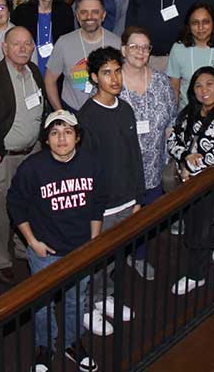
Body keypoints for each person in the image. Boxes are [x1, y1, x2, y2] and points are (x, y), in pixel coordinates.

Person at [8, 111, 104, 372]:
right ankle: (44, 347)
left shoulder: (92, 163)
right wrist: (31, 241)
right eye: (55, 132)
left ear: (78, 136)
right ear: (46, 139)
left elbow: (97, 203)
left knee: (76, 300)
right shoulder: (32, 168)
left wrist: (94, 242)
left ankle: (73, 342)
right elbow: (16, 205)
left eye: (68, 132)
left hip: (80, 249)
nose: (62, 138)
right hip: (45, 252)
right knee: (42, 305)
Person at [76, 47, 145, 336]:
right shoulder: (87, 116)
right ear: (94, 77)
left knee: (115, 258)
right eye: (107, 73)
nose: (115, 78)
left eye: (118, 71)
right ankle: (88, 307)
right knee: (95, 261)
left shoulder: (125, 107)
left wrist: (139, 198)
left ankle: (105, 298)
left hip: (127, 202)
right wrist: (93, 209)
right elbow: (84, 169)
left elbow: (134, 155)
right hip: (102, 208)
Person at [0, 26, 48, 285]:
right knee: (0, 209)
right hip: (4, 157)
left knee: (29, 202)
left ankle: (21, 246)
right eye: (16, 44)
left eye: (28, 44)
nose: (22, 48)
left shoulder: (35, 72)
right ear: (4, 48)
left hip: (34, 152)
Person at [167, 67, 214, 296]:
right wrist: (185, 157)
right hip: (188, 183)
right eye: (198, 86)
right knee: (195, 225)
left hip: (213, 184)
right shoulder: (190, 112)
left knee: (197, 234)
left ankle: (195, 275)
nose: (204, 90)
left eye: (210, 84)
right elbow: (173, 141)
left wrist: (188, 166)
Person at [118, 26, 177, 280]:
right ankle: (114, 260)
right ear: (123, 50)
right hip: (121, 171)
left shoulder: (162, 82)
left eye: (145, 47)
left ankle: (138, 256)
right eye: (134, 46)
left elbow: (172, 121)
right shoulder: (111, 81)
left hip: (154, 167)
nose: (140, 52)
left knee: (145, 221)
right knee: (120, 222)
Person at [44, 0, 121, 112]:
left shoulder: (117, 43)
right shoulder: (64, 42)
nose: (89, 16)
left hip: (107, 112)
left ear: (103, 15)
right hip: (72, 111)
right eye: (84, 12)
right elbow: (49, 80)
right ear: (77, 16)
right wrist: (60, 112)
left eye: (95, 12)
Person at [10, 0, 76, 74]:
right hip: (28, 69)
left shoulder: (65, 11)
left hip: (58, 71)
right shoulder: (22, 12)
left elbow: (70, 42)